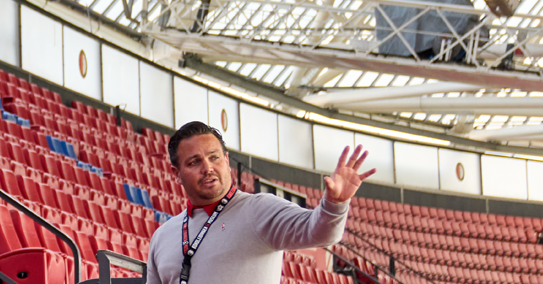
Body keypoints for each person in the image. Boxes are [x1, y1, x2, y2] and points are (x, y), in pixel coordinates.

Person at [142, 122, 372, 284]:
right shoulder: (163, 236)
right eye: (194, 162)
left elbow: (319, 233)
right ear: (177, 173)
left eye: (214, 157)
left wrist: (335, 204)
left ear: (227, 161)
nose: (208, 168)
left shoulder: (259, 209)